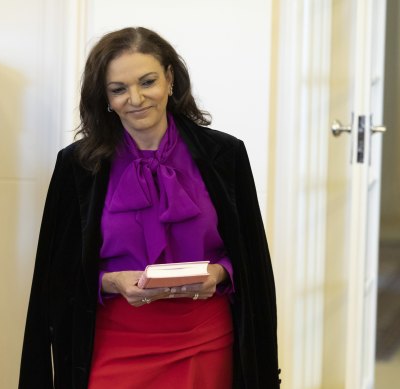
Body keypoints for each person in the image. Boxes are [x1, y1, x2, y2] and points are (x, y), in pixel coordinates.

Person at [19, 26, 280, 389]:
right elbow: (56, 276)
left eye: (147, 82)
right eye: (119, 89)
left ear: (170, 79)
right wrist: (109, 281)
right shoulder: (77, 166)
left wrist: (219, 274)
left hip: (205, 340)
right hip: (116, 340)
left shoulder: (226, 155)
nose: (136, 98)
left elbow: (251, 257)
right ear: (105, 98)